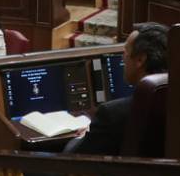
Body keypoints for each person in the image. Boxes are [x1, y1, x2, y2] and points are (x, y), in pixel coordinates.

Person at [61, 23, 169, 157]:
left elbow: (74, 157)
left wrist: (82, 137)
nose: (123, 58)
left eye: (125, 52)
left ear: (140, 59)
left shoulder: (112, 114)